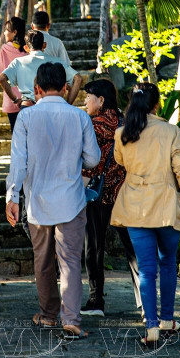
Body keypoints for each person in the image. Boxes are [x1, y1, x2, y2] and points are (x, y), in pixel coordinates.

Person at [5, 62, 101, 340]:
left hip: (37, 201)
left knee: (43, 260)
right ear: (65, 88)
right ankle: (70, 319)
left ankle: (48, 315)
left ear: (36, 88)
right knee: (70, 261)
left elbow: (18, 163)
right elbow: (93, 159)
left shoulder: (25, 117)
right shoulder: (80, 117)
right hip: (71, 200)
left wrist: (12, 197)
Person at [111, 82, 180, 347]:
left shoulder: (122, 134)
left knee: (146, 270)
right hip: (165, 207)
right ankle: (167, 319)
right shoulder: (171, 132)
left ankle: (151, 327)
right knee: (168, 263)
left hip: (135, 207)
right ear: (157, 104)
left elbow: (120, 161)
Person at [80, 79, 140, 318]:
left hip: (98, 193)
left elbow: (86, 160)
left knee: (94, 246)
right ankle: (144, 300)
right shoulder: (125, 123)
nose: (85, 101)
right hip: (123, 193)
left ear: (101, 100)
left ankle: (96, 300)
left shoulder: (92, 125)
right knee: (133, 246)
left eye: (88, 97)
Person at [0, 30, 82, 108]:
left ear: (26, 47)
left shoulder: (18, 62)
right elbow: (78, 78)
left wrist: (15, 99)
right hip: (52, 106)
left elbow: (1, 78)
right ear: (44, 45)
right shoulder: (57, 61)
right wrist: (68, 103)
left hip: (28, 104)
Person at [0, 17, 27, 131]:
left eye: (6, 30)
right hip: (30, 100)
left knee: (17, 136)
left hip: (12, 100)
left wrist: (15, 99)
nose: (4, 32)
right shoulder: (28, 49)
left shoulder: (4, 49)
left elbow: (0, 78)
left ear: (14, 32)